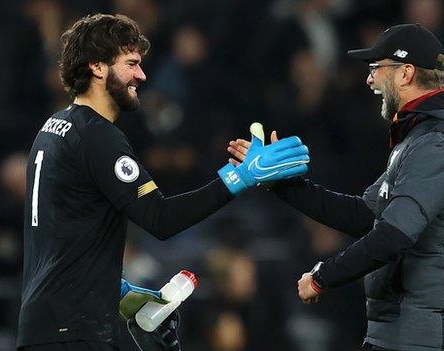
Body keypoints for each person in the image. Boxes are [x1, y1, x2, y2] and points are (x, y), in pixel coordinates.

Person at [17, 13, 310, 351]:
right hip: (76, 332)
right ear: (97, 67)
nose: (140, 75)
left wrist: (121, 292)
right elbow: (160, 218)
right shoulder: (98, 137)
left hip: (44, 323)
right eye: (131, 64)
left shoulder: (53, 127)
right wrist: (239, 177)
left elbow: (63, 234)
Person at [228, 23, 444, 351]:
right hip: (404, 328)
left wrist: (324, 277)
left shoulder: (439, 142)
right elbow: (364, 215)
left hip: (426, 335)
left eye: (377, 68)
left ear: (406, 73)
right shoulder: (422, 139)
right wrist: (280, 183)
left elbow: (394, 235)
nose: (369, 79)